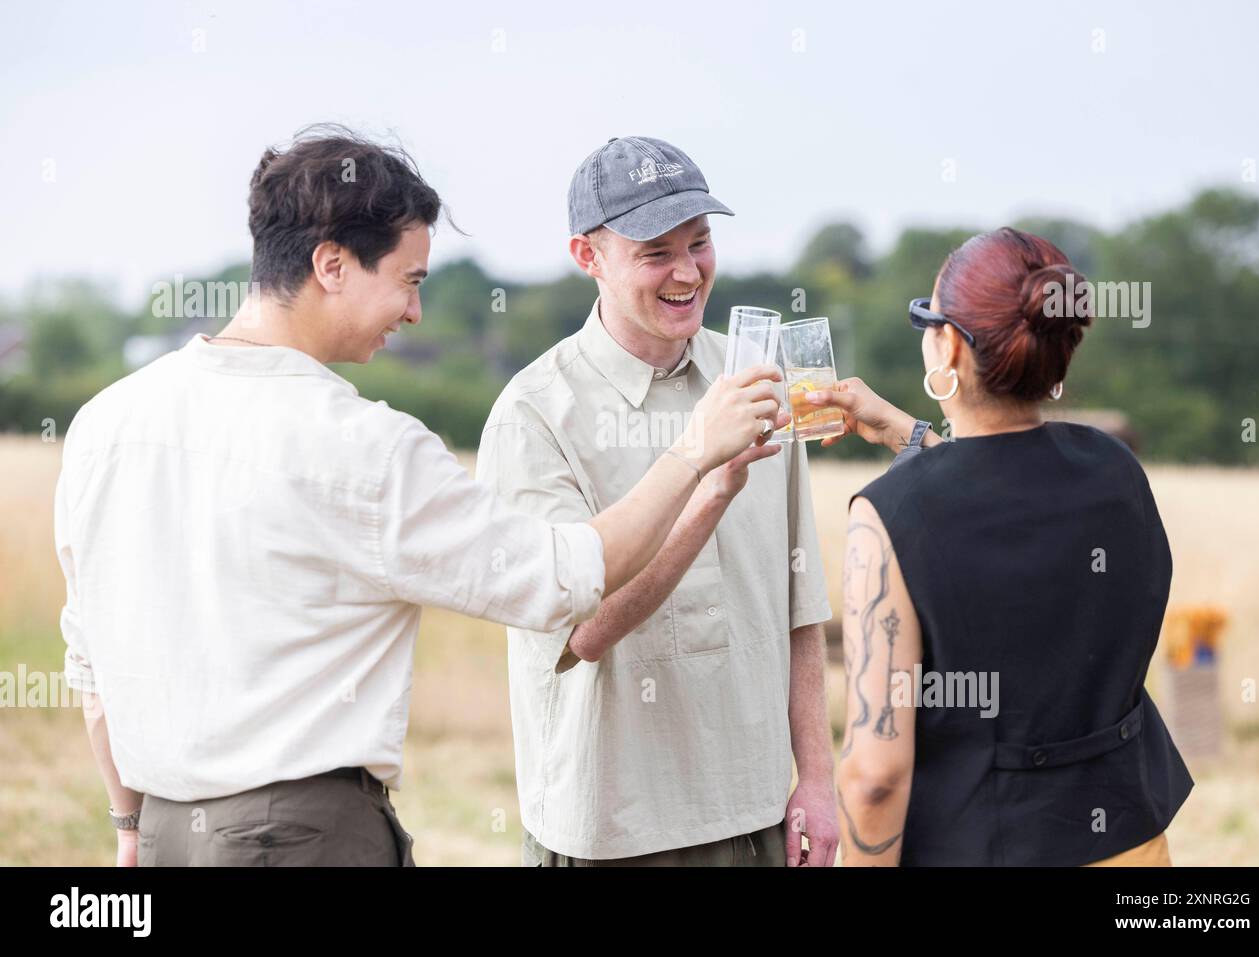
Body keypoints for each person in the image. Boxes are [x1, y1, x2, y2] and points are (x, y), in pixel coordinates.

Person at [54, 126, 783, 867]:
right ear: (331, 265)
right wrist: (695, 452)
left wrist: (128, 826)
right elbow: (564, 579)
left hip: (161, 832)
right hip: (303, 838)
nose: (415, 314)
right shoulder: (361, 444)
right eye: (409, 281)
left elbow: (91, 671)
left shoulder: (103, 426)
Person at [476, 136, 838, 866]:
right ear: (588, 257)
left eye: (699, 242)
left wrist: (819, 781)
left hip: (759, 817)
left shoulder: (757, 383)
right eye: (655, 252)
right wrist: (706, 486)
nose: (687, 272)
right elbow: (583, 633)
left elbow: (800, 608)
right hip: (616, 835)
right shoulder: (534, 417)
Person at [807, 227, 1194, 866]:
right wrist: (913, 436)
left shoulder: (889, 516)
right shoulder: (1114, 468)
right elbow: (1011, 497)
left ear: (950, 345)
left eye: (925, 318)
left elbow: (876, 775)